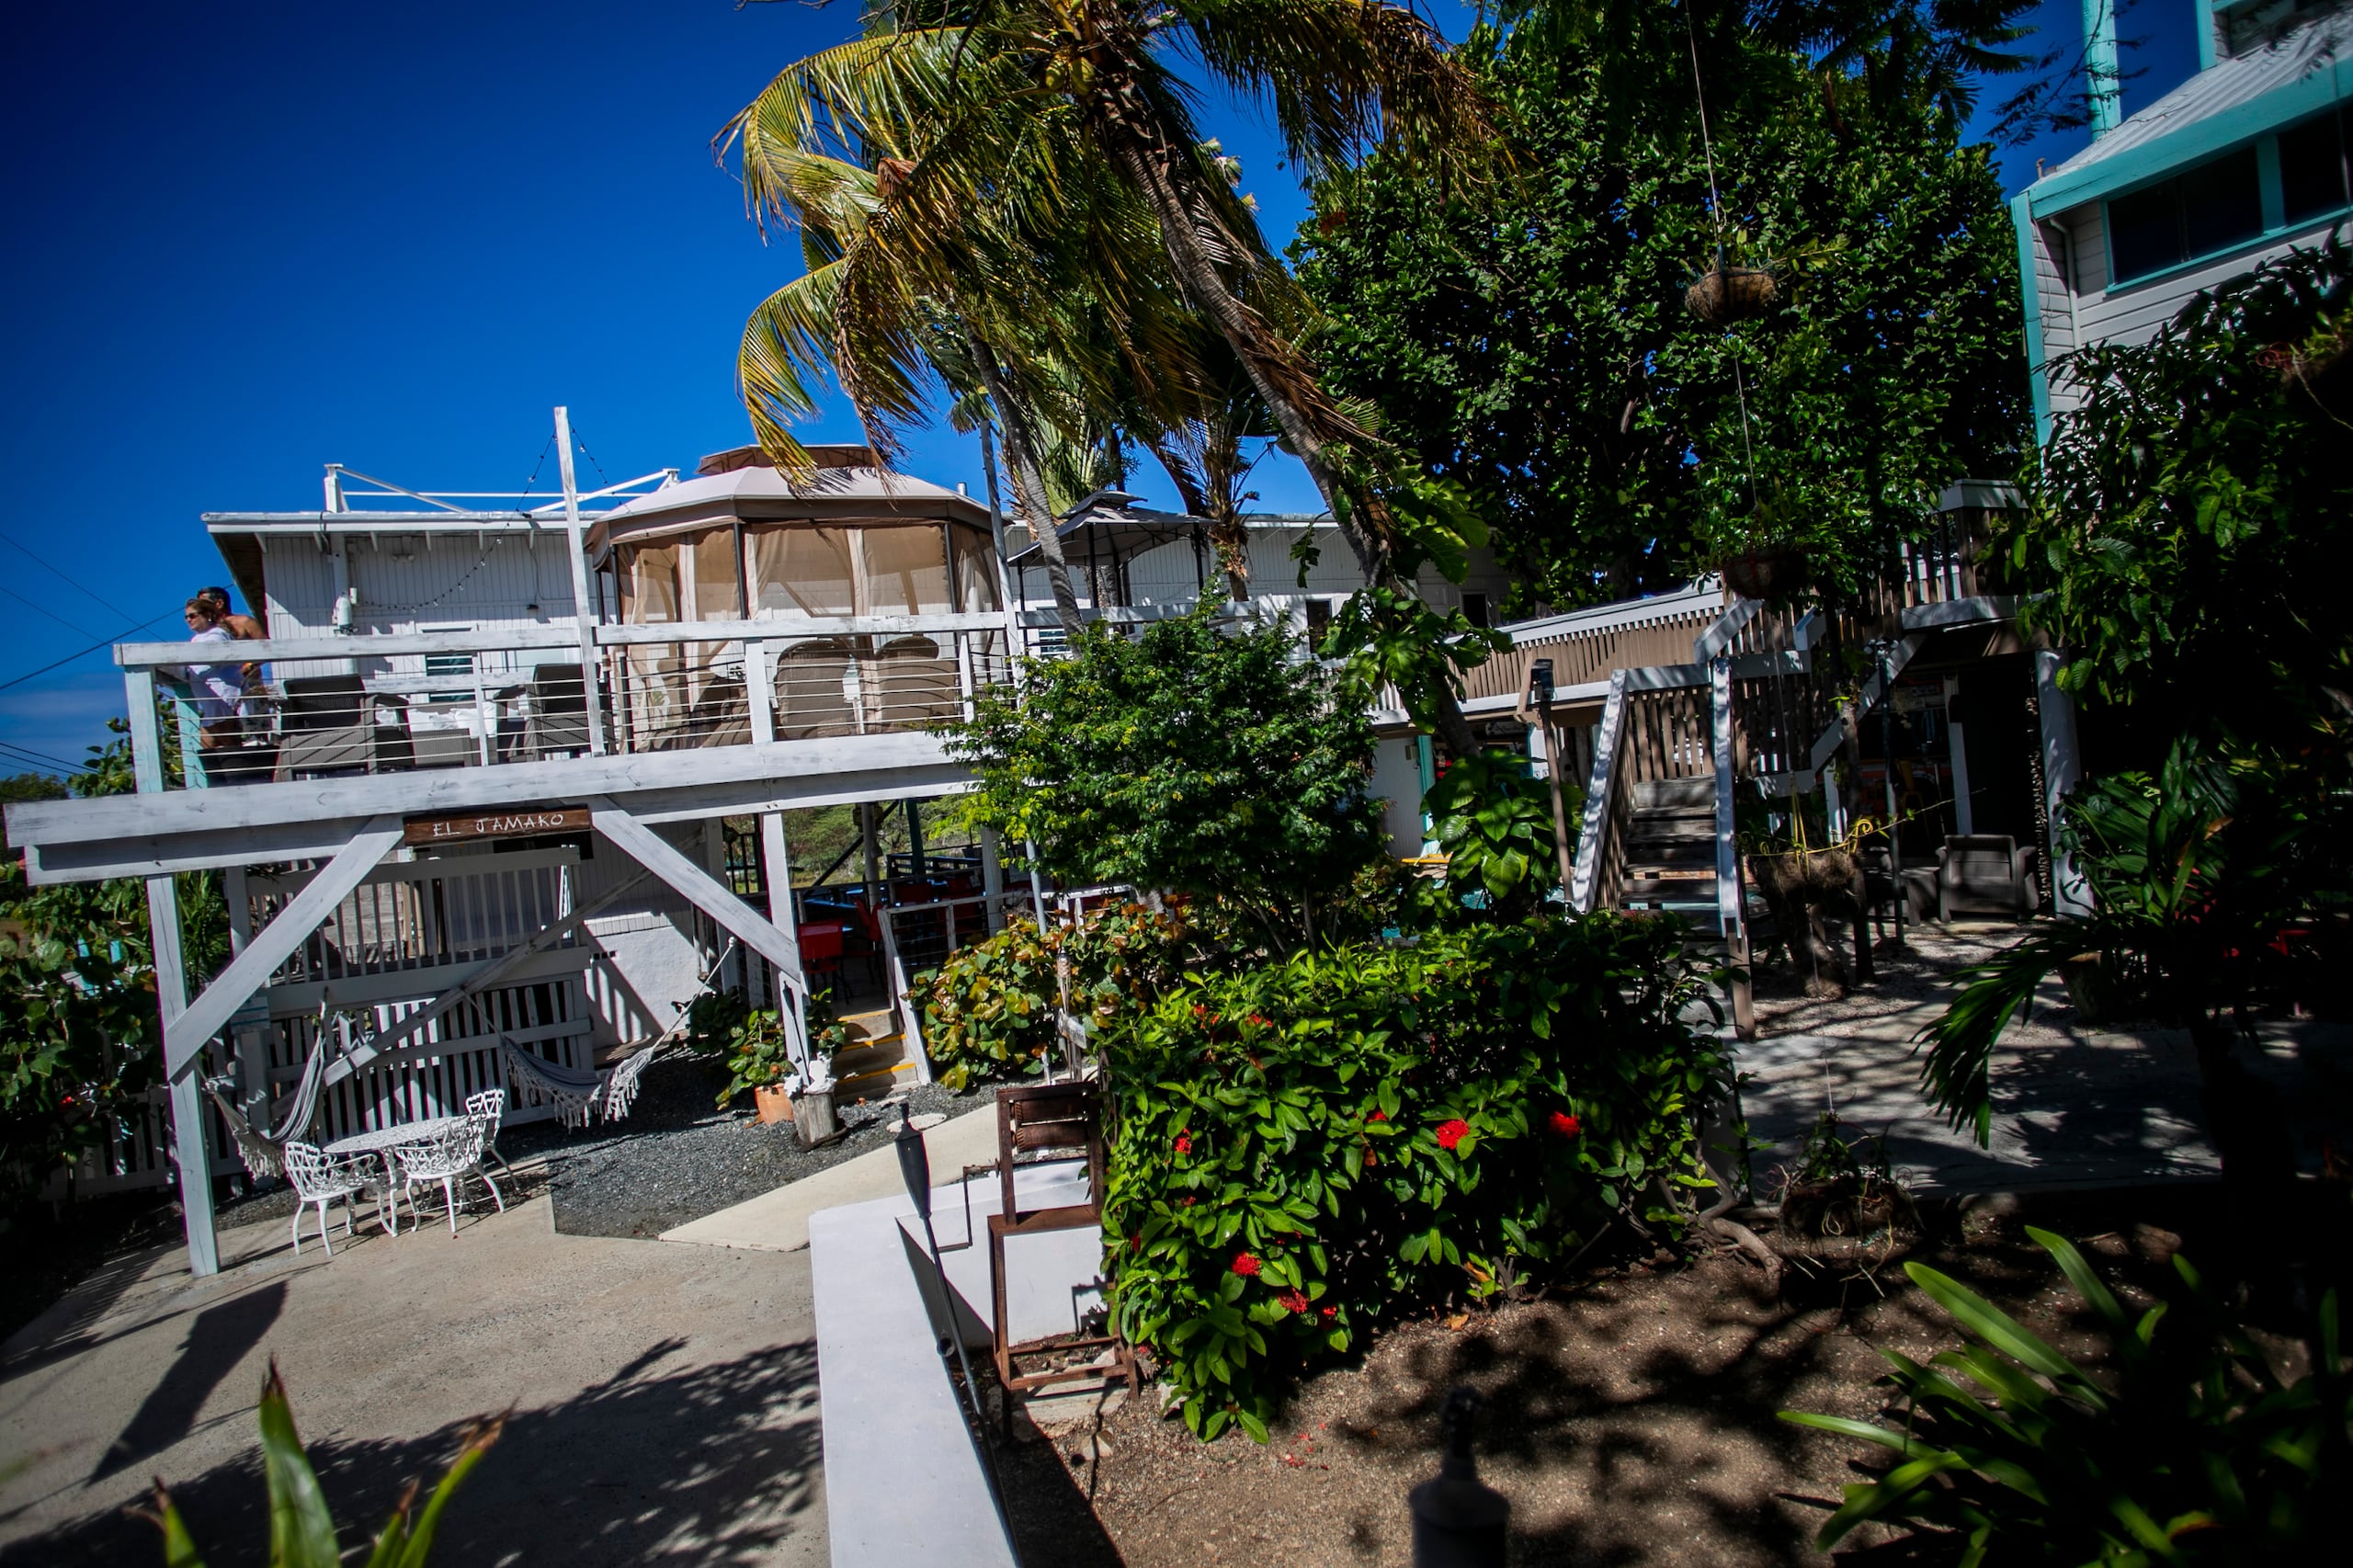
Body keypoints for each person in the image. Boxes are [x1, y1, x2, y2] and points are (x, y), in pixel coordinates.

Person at [177, 597, 246, 751]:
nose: (189, 619)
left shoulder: (216, 634)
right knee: (208, 744)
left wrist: (190, 670)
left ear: (207, 614)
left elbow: (212, 659)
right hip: (209, 700)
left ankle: (240, 773)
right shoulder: (198, 638)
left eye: (193, 615)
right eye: (186, 617)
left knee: (227, 741)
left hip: (221, 696)